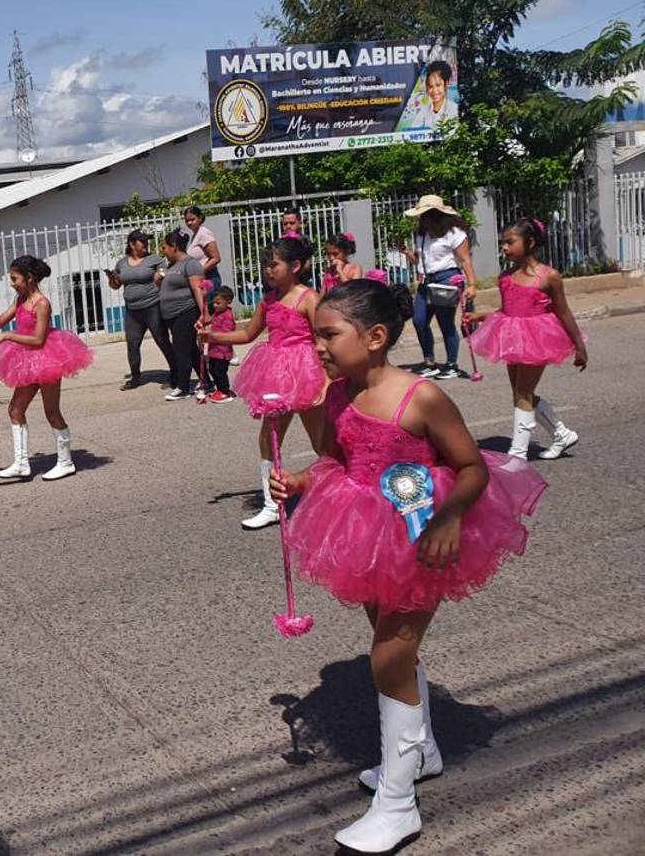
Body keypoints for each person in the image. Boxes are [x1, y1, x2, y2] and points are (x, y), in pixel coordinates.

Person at [271, 280, 544, 853]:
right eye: (315, 334)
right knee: (387, 640)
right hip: (364, 532)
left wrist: (448, 519)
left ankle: (397, 805)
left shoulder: (420, 397)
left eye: (328, 334)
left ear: (374, 337)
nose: (317, 346)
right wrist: (298, 482)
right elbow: (335, 461)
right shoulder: (337, 394)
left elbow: (471, 467)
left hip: (421, 532)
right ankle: (420, 752)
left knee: (389, 655)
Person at [201, 236, 325, 529]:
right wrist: (214, 336)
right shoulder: (267, 300)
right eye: (265, 266)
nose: (268, 271)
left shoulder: (309, 298)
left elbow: (324, 341)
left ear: (295, 266)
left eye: (274, 265)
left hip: (306, 373)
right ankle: (272, 504)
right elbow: (248, 335)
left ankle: (333, 491)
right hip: (276, 375)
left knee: (321, 441)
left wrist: (326, 382)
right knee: (268, 437)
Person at [467, 219, 587, 459]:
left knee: (523, 393)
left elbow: (563, 312)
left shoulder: (549, 277)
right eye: (503, 242)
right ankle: (561, 434)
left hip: (538, 339)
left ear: (530, 242)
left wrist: (579, 346)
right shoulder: (505, 277)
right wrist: (480, 316)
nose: (504, 247)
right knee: (522, 393)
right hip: (512, 338)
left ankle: (518, 453)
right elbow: (508, 311)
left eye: (510, 242)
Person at [0, 255, 93, 481]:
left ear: (29, 278)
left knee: (51, 412)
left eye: (15, 278)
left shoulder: (42, 303)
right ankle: (21, 464)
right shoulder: (20, 300)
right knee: (15, 409)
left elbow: (39, 340)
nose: (12, 283)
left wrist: (9, 336)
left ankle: (65, 462)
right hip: (26, 361)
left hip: (47, 359)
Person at [396, 195, 477, 379]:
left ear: (433, 215)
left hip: (446, 279)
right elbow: (418, 260)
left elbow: (465, 259)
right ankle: (429, 362)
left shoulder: (454, 233)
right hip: (426, 280)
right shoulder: (421, 235)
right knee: (419, 321)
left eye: (423, 215)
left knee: (446, 323)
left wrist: (472, 284)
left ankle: (451, 364)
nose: (419, 218)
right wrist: (407, 253)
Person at [106, 230, 174, 390]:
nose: (146, 244)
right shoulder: (122, 263)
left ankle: (176, 374)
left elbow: (165, 274)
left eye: (146, 241)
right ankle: (135, 377)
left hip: (153, 307)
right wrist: (112, 280)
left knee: (162, 341)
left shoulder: (154, 259)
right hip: (132, 311)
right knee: (132, 344)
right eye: (142, 241)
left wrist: (160, 274)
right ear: (132, 244)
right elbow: (116, 286)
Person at [157, 230, 209, 401]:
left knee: (181, 349)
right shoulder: (171, 266)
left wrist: (203, 313)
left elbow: (198, 289)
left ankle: (183, 386)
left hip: (185, 312)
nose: (163, 251)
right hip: (171, 314)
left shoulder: (191, 264)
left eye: (164, 247)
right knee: (191, 350)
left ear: (174, 247)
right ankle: (207, 382)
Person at [400, 60, 459, 130]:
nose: (434, 91)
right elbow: (412, 131)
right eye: (430, 86)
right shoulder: (425, 109)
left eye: (438, 85)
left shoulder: (453, 109)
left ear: (446, 84)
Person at [202, 286, 237, 403]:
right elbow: (210, 322)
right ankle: (220, 389)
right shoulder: (217, 314)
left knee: (219, 371)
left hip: (223, 351)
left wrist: (209, 334)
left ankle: (225, 391)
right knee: (212, 369)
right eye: (214, 303)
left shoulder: (227, 316)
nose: (215, 305)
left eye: (218, 303)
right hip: (214, 349)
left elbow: (226, 333)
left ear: (228, 302)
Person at [183, 206, 223, 298]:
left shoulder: (204, 233)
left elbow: (216, 258)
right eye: (187, 221)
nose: (189, 223)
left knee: (207, 308)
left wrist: (200, 270)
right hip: (200, 277)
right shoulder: (195, 235)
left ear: (200, 218)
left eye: (192, 219)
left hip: (209, 278)